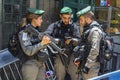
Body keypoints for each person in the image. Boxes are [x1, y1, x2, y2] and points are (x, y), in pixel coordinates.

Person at [45, 6, 80, 80]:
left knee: (75, 76)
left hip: (72, 54)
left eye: (68, 18)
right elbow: (46, 36)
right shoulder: (54, 26)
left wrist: (72, 40)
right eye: (64, 18)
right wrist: (59, 41)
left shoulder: (74, 27)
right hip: (59, 54)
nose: (67, 20)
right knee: (59, 76)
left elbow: (79, 40)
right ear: (60, 16)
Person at [18, 8, 51, 80]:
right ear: (34, 19)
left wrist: (43, 62)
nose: (42, 21)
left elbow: (41, 49)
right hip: (30, 64)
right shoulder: (24, 32)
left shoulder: (37, 31)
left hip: (40, 63)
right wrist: (42, 44)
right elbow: (28, 51)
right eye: (40, 19)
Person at [74, 6, 103, 80]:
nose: (80, 22)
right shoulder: (87, 30)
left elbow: (94, 50)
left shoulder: (95, 31)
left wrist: (87, 66)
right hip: (85, 64)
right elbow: (85, 47)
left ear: (87, 19)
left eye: (81, 20)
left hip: (91, 68)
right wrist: (79, 59)